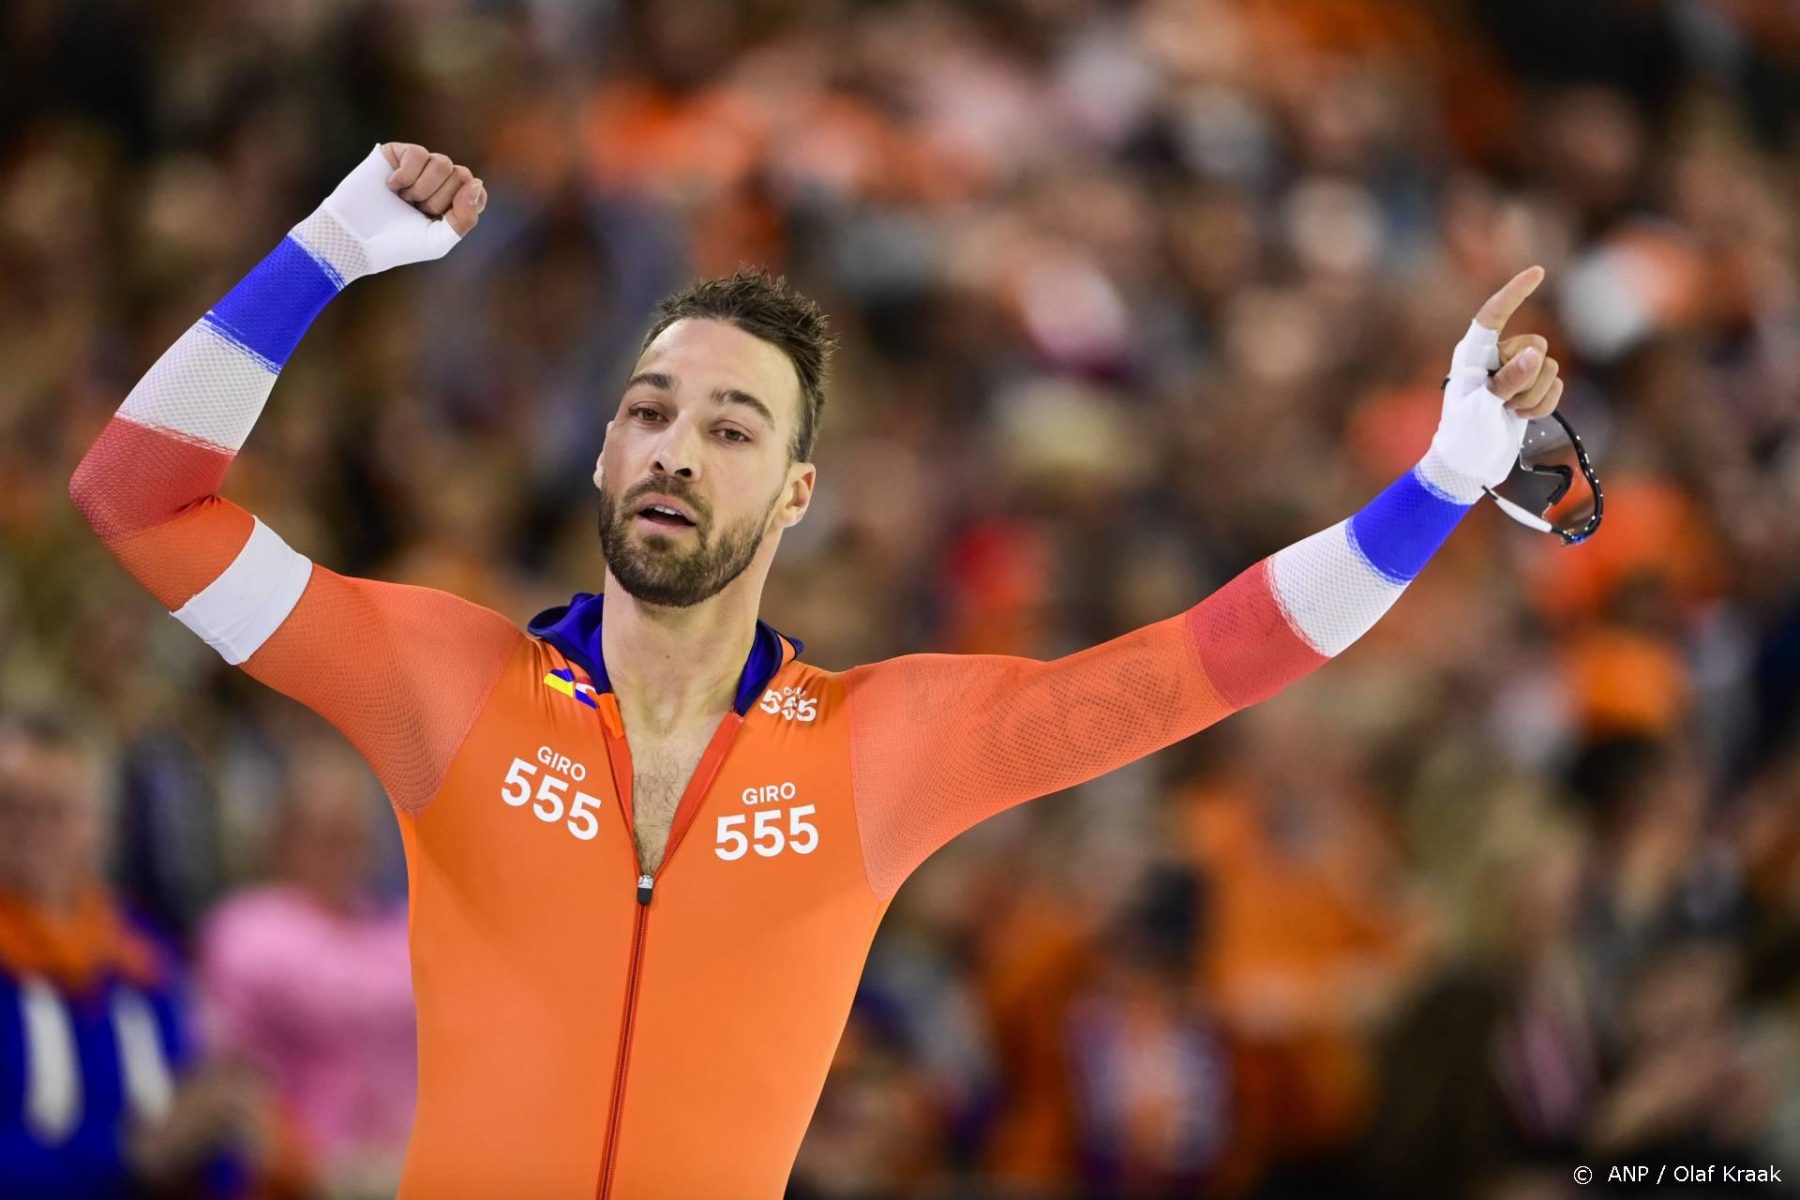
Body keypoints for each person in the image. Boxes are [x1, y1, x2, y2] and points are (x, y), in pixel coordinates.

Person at [68, 142, 1564, 1196]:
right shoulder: (440, 682)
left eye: (730, 431)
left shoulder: (881, 748)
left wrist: (1432, 486)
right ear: (601, 447)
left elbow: (1205, 663)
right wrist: (327, 251)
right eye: (650, 410)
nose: (674, 450)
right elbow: (138, 501)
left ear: (794, 496)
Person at [0, 712, 271, 1197]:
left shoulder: (138, 950)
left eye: (56, 810)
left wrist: (220, 1131)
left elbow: (189, 1122)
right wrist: (129, 1154)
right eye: (12, 807)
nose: (31, 830)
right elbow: (147, 1149)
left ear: (100, 824)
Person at [198, 743, 415, 1198]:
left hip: (411, 1171)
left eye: (354, 832)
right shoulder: (248, 927)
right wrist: (310, 1169)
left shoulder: (403, 930)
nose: (344, 849)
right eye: (323, 833)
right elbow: (228, 1075)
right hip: (299, 1177)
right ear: (282, 835)